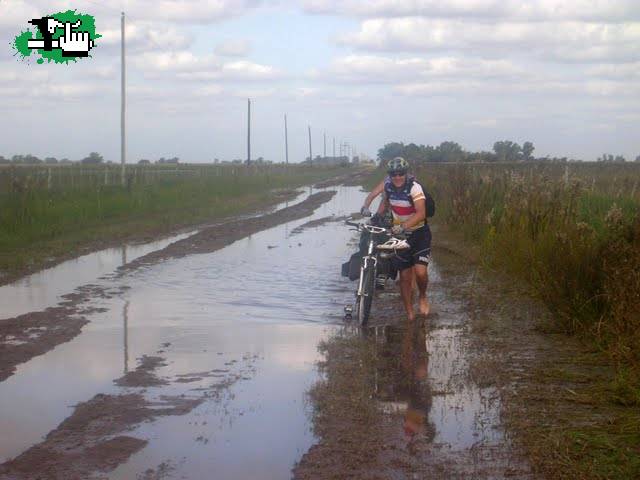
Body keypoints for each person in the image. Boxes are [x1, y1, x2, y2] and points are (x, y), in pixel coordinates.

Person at [360, 157, 431, 321]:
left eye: (401, 174)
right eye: (394, 174)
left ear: (406, 174)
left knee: (421, 273)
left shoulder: (414, 187)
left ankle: (422, 296)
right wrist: (367, 209)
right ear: (389, 175)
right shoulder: (388, 185)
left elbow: (421, 213)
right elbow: (375, 196)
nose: (397, 177)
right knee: (405, 278)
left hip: (419, 233)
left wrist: (403, 226)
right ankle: (410, 315)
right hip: (399, 236)